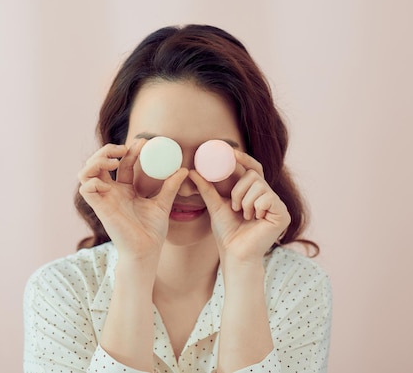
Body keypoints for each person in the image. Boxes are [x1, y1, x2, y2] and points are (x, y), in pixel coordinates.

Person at [23, 24, 332, 373]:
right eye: (159, 153)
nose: (185, 185)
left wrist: (244, 269)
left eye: (213, 157)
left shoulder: (297, 289)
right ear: (117, 151)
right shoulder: (62, 291)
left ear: (253, 156)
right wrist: (137, 262)